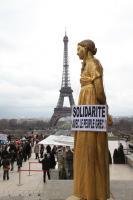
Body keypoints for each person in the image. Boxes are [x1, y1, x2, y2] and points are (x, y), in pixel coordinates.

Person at [74, 40, 110, 200]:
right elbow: (101, 94)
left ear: (86, 48)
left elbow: (100, 92)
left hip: (87, 102)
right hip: (90, 104)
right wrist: (105, 111)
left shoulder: (94, 63)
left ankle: (85, 190)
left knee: (85, 147)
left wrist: (104, 110)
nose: (76, 52)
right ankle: (93, 190)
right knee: (93, 147)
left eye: (79, 49)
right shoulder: (92, 64)